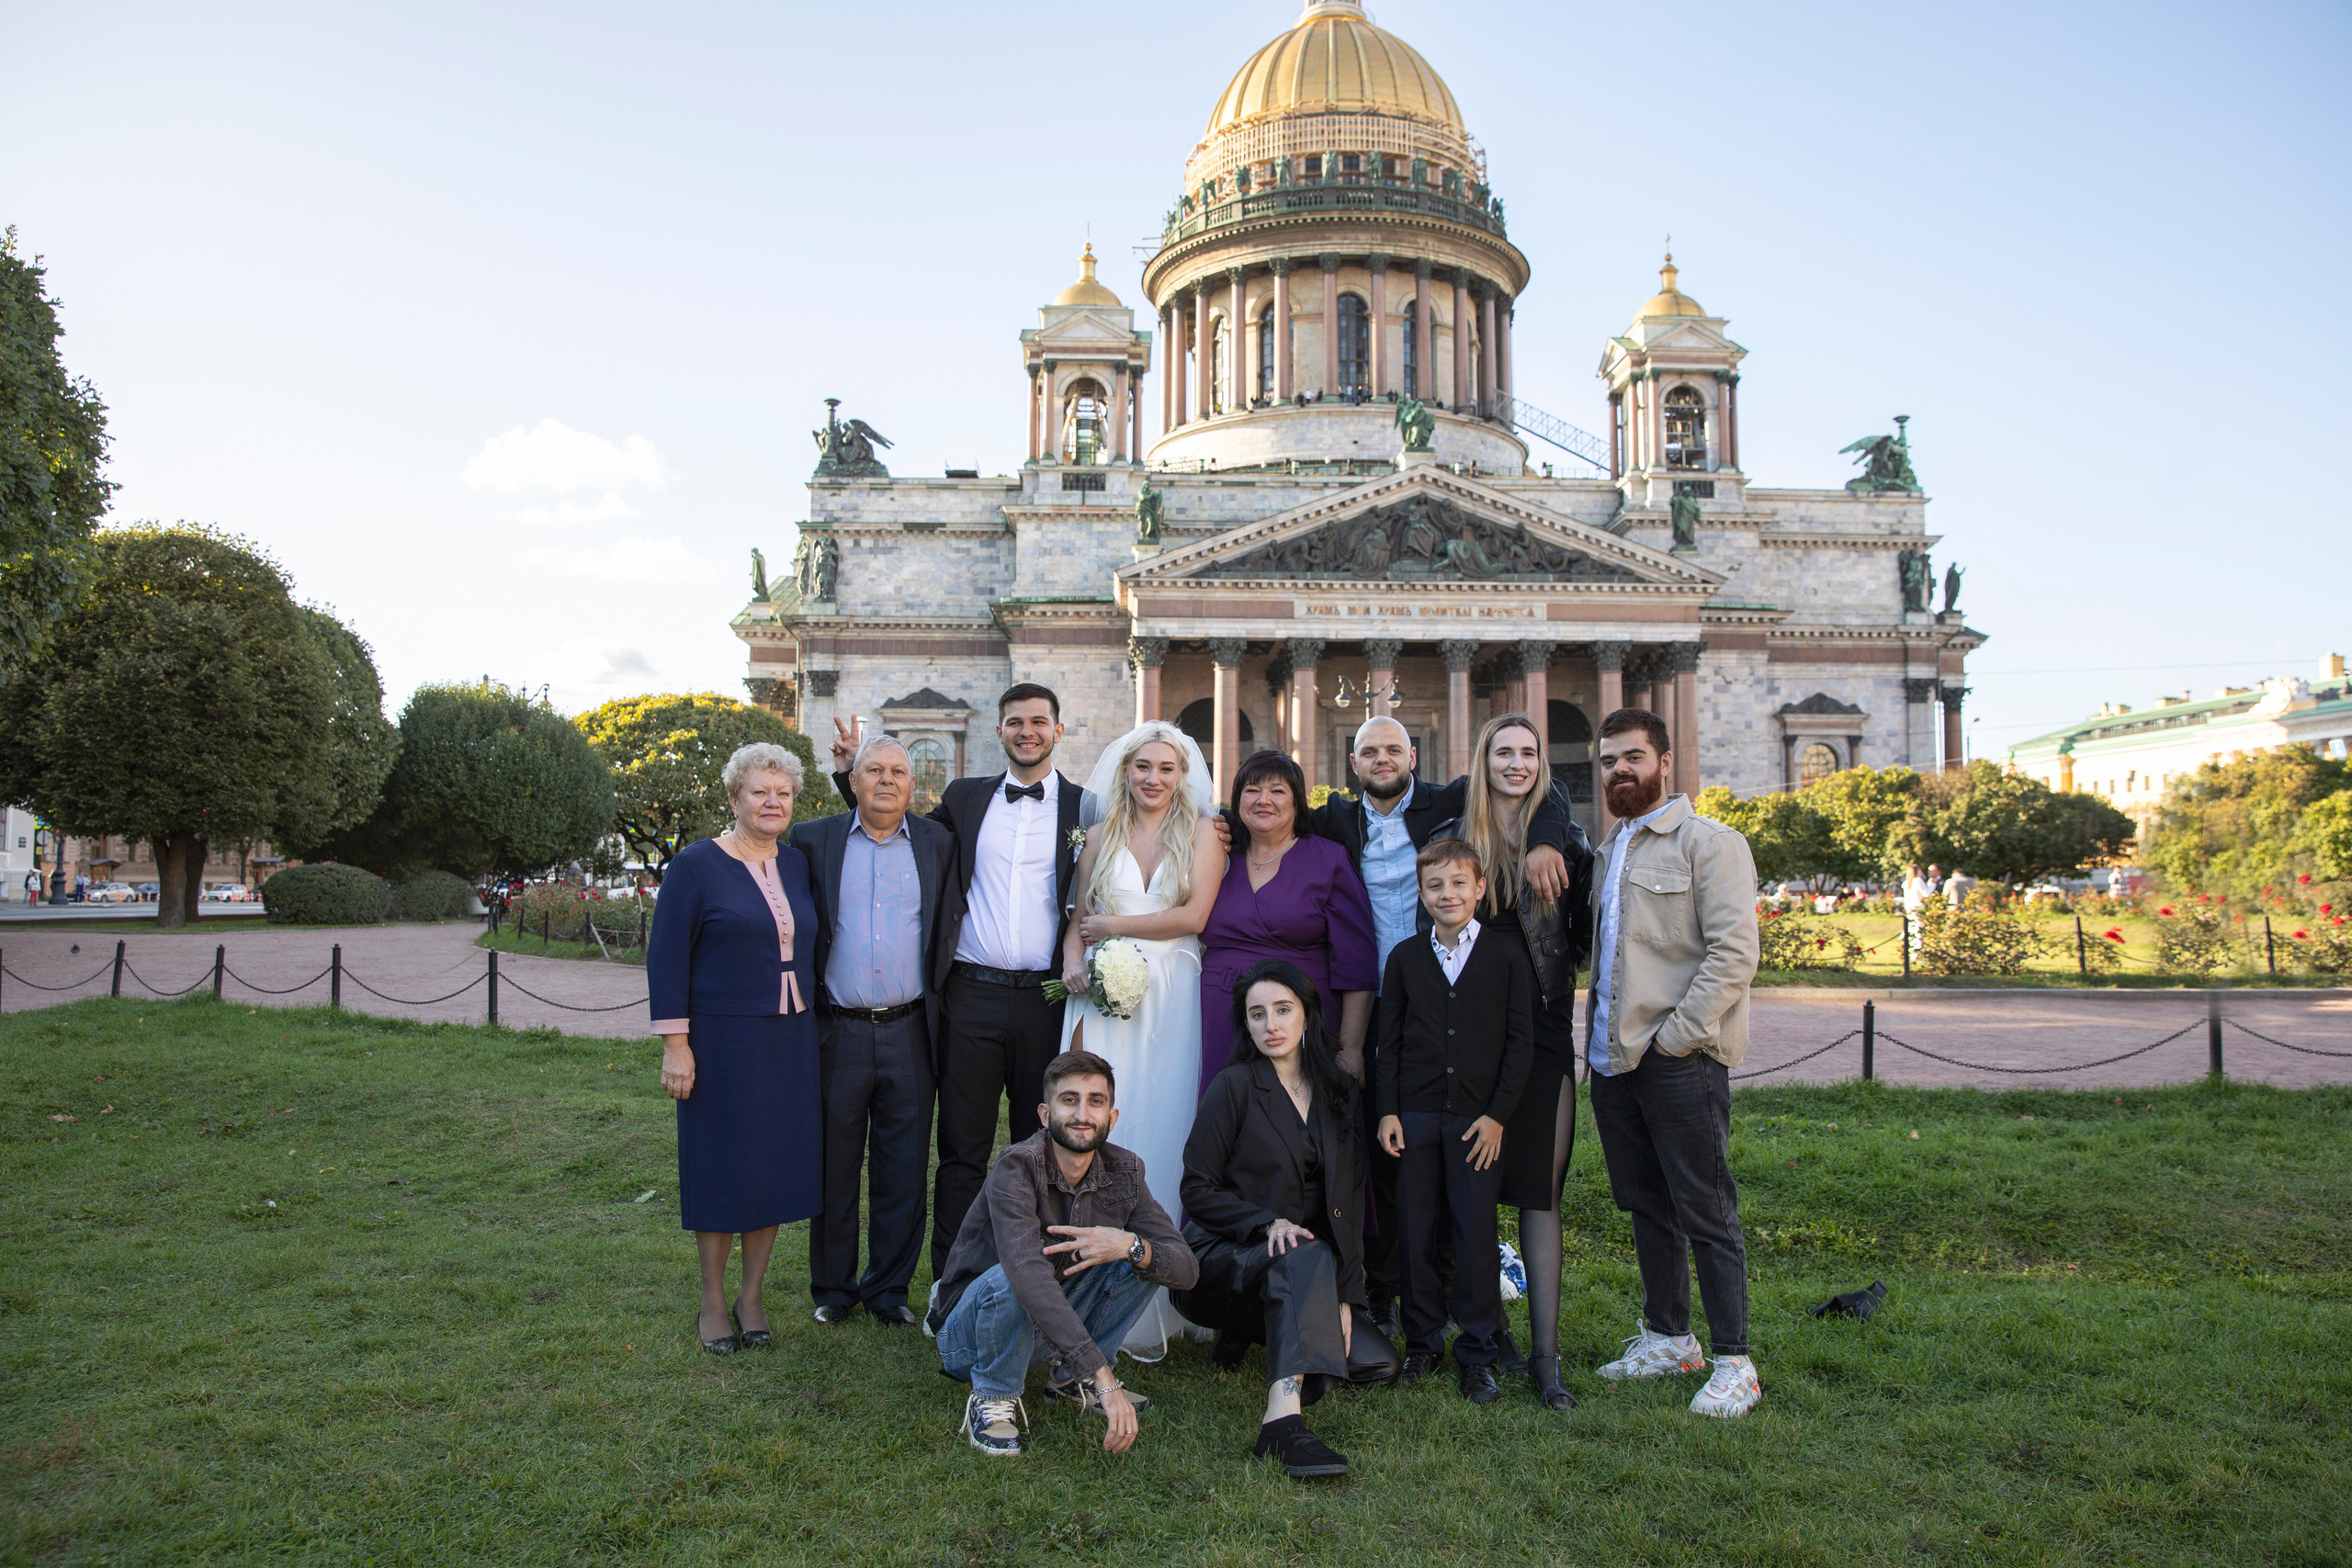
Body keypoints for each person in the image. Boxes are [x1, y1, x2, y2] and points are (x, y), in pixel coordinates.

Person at [1218, 715, 1582, 1335]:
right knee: (1374, 1148)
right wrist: (1213, 824)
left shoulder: (1447, 801)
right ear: (1352, 762)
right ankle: (1380, 1287)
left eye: (1393, 748)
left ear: (1413, 753)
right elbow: (1268, 816)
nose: (1382, 759)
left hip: (1437, 1001)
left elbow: (1539, 785)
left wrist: (1547, 838)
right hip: (1359, 1002)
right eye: (1368, 751)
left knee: (1444, 1145)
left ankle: (1453, 1287)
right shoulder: (1336, 818)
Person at [831, 682, 1085, 1280]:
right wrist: (848, 778)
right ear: (999, 732)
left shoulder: (1085, 806)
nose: (1027, 731)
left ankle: (1036, 1282)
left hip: (1046, 1001)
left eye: (1039, 721)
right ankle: (953, 1282)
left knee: (1044, 1149)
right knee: (962, 1151)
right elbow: (896, 830)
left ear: (1058, 731)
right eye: (1015, 722)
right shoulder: (966, 798)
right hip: (970, 997)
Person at [1585, 708, 1763, 1418]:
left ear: (1665, 760)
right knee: (1647, 1206)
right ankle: (1669, 1336)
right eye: (1608, 761)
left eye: (1633, 757)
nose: (1619, 770)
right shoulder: (1610, 849)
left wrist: (1677, 1036)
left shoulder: (1709, 843)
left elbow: (1734, 954)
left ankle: (1734, 1359)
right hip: (1612, 1059)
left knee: (1707, 1207)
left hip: (1677, 1059)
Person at [1427, 713, 1595, 1410]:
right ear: (1482, 758)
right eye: (1504, 751)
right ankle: (1489, 1337)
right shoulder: (1452, 827)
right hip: (1468, 1030)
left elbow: (1583, 934)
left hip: (1545, 1026)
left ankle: (1548, 1355)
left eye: (1530, 752)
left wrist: (1550, 834)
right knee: (1474, 1190)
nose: (1518, 763)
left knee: (1539, 1189)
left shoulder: (1565, 837)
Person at [1173, 961, 1396, 1480]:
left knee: (1377, 1364)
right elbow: (1196, 1189)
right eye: (1257, 1014)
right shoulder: (1232, 1087)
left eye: (1282, 1010)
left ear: (1306, 1015)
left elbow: (1349, 1205)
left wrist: (1342, 1297)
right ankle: (1282, 1423)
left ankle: (1254, 1331)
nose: (1271, 1024)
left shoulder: (1340, 1093)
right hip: (1223, 1259)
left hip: (1307, 1267)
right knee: (1300, 1250)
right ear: (1246, 1025)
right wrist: (1263, 1223)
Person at [930, 1050, 1198, 1459]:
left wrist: (1129, 1245)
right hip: (971, 1337)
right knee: (1014, 1274)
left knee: (1139, 1257)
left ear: (1112, 1116)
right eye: (1068, 1100)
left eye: (1096, 1101)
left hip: (1043, 1331)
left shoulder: (1125, 1171)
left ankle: (1070, 1380)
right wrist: (1104, 1375)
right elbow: (1027, 1276)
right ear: (1044, 1113)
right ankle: (993, 1394)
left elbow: (1186, 1269)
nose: (1082, 1114)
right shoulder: (1017, 1167)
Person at [1057, 721, 1225, 1358]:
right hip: (1103, 992)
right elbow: (1078, 922)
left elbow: (1193, 916)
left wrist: (1110, 924)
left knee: (1167, 1118)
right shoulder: (1097, 836)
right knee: (1106, 1127)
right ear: (1124, 772)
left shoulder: (1206, 834)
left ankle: (1164, 1292)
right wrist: (1076, 957)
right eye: (1143, 766)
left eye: (1167, 768)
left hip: (1174, 992)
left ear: (1183, 776)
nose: (1154, 778)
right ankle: (1093, 1287)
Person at [650, 742, 822, 1354]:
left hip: (789, 1037)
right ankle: (713, 1299)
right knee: (724, 1166)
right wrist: (677, 1044)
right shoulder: (695, 866)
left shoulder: (798, 864)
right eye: (759, 791)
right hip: (721, 1040)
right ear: (734, 797)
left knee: (772, 1165)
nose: (772, 802)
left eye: (782, 792)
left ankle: (753, 1293)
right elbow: (667, 957)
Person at [789, 732, 955, 1327]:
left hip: (913, 1030)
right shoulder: (813, 841)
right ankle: (833, 1287)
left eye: (899, 772)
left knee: (903, 1167)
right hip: (839, 1032)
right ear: (852, 780)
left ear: (914, 785)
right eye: (874, 770)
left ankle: (887, 1290)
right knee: (834, 1165)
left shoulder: (939, 844)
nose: (887, 780)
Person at [1374, 838, 1534, 1404]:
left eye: (1459, 883)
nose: (1448, 894)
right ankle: (1421, 1342)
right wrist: (1388, 1110)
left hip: (1476, 1124)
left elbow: (1520, 1045)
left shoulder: (1505, 957)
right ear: (1422, 893)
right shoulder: (1405, 958)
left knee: (1474, 1234)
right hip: (1414, 1117)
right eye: (1436, 885)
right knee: (1415, 1231)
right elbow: (1386, 1043)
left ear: (1480, 889)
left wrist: (1497, 1117)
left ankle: (1477, 1349)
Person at [1198, 750, 1377, 1095]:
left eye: (1278, 791)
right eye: (1252, 790)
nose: (1263, 800)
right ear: (1237, 800)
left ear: (1297, 802)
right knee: (1222, 1118)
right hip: (1218, 1012)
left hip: (1302, 1015)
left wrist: (1352, 1048)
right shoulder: (1216, 854)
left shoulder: (1328, 858)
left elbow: (1357, 963)